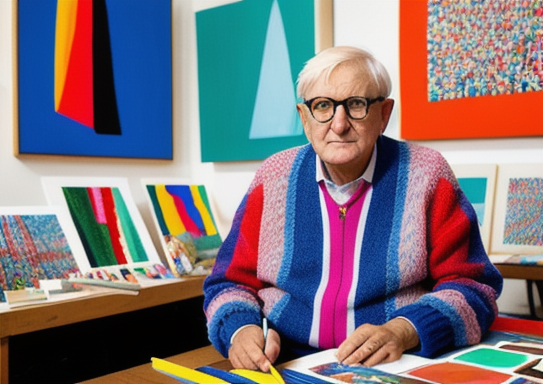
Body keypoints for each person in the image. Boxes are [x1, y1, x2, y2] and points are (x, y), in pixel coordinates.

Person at [203, 45, 503, 373]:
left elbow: (475, 287)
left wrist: (404, 331)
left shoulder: (428, 173)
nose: (339, 124)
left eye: (356, 104)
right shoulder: (273, 176)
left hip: (394, 365)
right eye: (322, 106)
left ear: (384, 114)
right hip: (283, 364)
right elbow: (226, 283)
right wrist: (241, 331)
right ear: (304, 117)